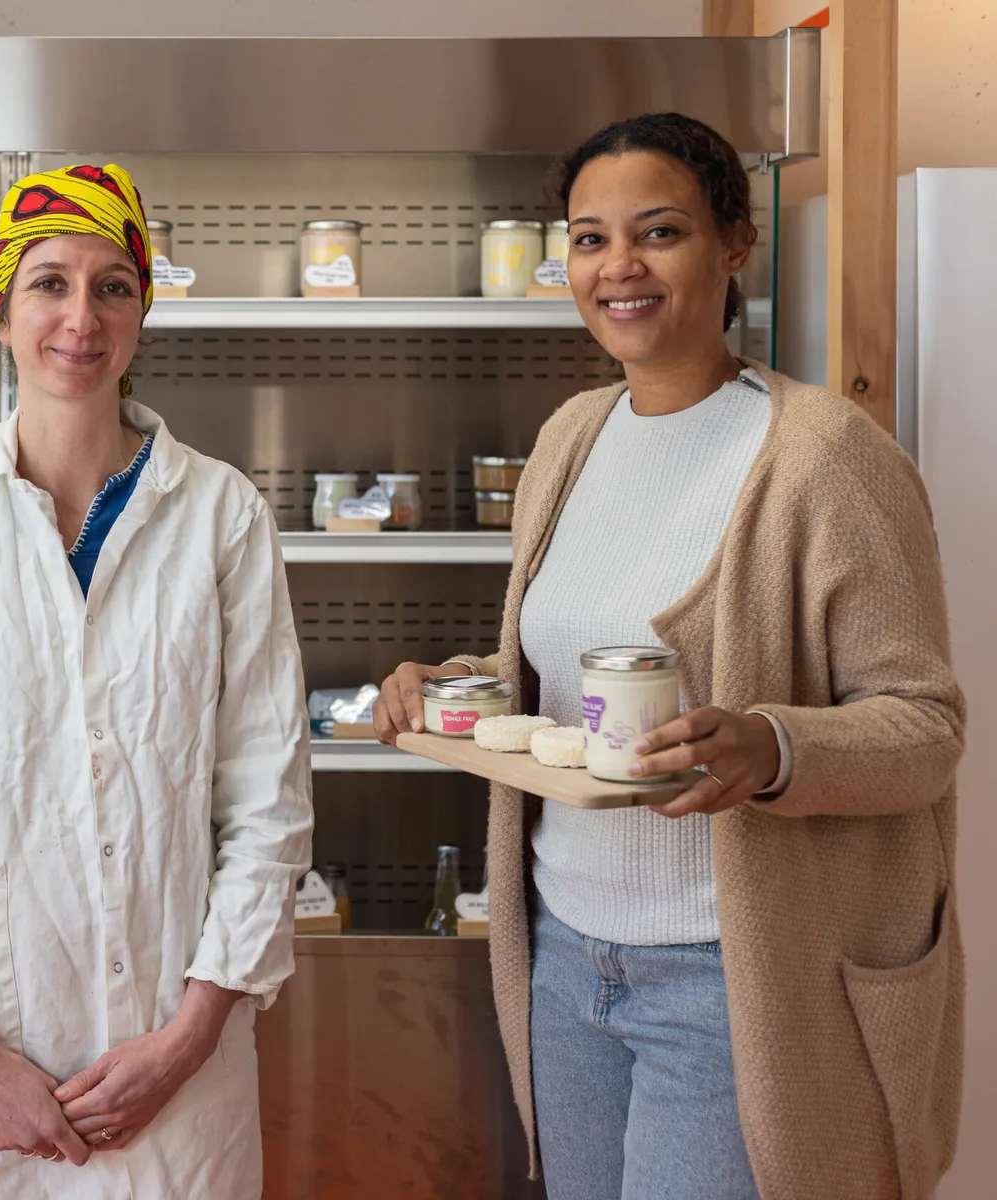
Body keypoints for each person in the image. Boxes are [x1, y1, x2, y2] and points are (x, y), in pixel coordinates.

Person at [374, 113, 964, 1200]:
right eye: (589, 240)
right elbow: (559, 675)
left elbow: (926, 728)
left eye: (659, 232)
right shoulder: (572, 437)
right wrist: (454, 689)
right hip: (564, 957)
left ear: (734, 243)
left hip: (733, 977)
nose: (620, 268)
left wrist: (773, 747)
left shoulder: (824, 457)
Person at [0, 163, 314, 1198]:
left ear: (143, 313)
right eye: (49, 283)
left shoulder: (224, 516)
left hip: (176, 1086)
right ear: (1, 312)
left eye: (112, 286)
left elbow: (267, 808)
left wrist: (186, 1041)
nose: (81, 318)